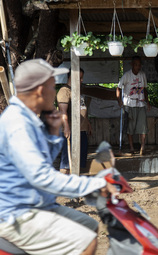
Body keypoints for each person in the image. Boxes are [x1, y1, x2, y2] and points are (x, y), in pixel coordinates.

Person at [0, 59, 117, 254]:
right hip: (19, 212)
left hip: (39, 204)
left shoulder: (30, 118)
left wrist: (53, 137)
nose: (55, 93)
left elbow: (43, 162)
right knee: (85, 241)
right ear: (39, 90)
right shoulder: (18, 124)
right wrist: (95, 185)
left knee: (89, 225)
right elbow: (43, 177)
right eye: (52, 87)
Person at [57, 68, 92, 174]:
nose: (81, 80)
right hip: (71, 130)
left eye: (82, 78)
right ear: (72, 77)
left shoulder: (76, 90)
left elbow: (82, 109)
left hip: (81, 129)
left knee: (79, 161)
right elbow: (63, 111)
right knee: (67, 162)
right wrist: (66, 127)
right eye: (80, 78)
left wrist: (88, 124)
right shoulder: (64, 91)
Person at [116, 56, 151, 155]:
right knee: (130, 127)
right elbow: (118, 88)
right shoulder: (127, 75)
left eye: (139, 65)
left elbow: (144, 89)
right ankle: (131, 147)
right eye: (136, 65)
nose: (138, 67)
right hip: (129, 104)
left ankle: (142, 147)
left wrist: (147, 101)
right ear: (132, 64)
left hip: (141, 103)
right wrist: (119, 100)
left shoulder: (142, 75)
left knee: (143, 126)